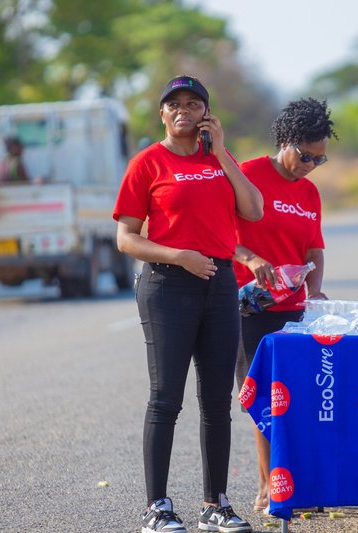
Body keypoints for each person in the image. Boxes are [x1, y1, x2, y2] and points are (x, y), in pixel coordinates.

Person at [113, 75, 263, 533]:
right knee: (166, 400)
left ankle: (216, 504)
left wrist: (221, 151)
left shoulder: (218, 160)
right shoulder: (147, 163)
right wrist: (179, 256)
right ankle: (156, 508)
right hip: (167, 285)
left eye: (193, 103)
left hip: (219, 284)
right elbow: (126, 238)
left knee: (217, 401)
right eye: (174, 104)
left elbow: (254, 209)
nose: (183, 110)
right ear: (162, 113)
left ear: (206, 113)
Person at [233, 97, 335, 512]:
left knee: (298, 397)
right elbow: (219, 234)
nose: (310, 166)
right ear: (285, 141)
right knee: (264, 399)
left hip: (293, 309)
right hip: (250, 307)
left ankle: (299, 482)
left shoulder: (309, 192)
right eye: (305, 156)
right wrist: (251, 260)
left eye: (319, 159)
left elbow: (314, 250)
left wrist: (316, 291)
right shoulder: (248, 175)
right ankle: (268, 485)